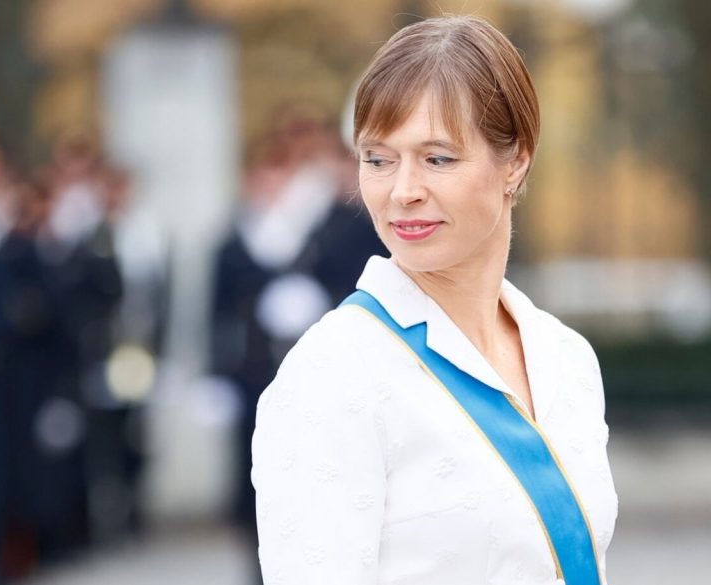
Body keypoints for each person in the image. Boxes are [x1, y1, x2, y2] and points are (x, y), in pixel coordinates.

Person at [251, 15, 617, 584]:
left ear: (516, 161)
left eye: (437, 158)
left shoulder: (566, 359)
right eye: (378, 159)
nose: (402, 192)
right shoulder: (335, 371)